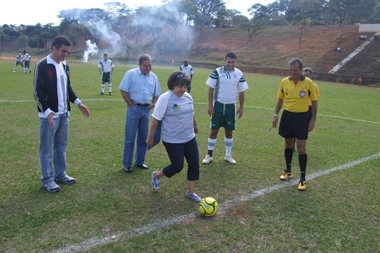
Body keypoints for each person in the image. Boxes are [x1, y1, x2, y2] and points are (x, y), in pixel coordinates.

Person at [33, 36, 90, 193]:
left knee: (61, 147)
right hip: (49, 117)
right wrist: (47, 111)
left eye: (68, 51)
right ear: (54, 48)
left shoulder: (65, 65)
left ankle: (60, 174)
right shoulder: (43, 65)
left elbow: (68, 88)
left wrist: (79, 103)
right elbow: (38, 93)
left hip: (64, 114)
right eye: (63, 51)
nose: (66, 54)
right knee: (46, 149)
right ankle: (47, 179)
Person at [148, 71, 201, 202]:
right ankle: (157, 175)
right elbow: (155, 119)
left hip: (189, 136)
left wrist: (194, 124)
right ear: (172, 85)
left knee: (194, 163)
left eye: (185, 86)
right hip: (172, 139)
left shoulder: (188, 97)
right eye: (179, 86)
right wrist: (151, 138)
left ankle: (191, 192)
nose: (182, 89)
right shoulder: (165, 98)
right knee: (177, 166)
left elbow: (191, 111)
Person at [271, 58, 318, 191]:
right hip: (288, 116)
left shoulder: (309, 83)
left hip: (302, 118)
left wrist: (313, 119)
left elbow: (314, 102)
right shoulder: (284, 81)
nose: (292, 73)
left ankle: (302, 178)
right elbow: (280, 99)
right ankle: (288, 170)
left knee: (301, 148)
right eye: (290, 70)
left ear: (301, 70)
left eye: (295, 70)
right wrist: (275, 115)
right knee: (288, 144)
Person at [202, 52, 249, 165]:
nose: (230, 64)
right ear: (225, 60)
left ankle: (228, 155)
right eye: (228, 62)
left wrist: (241, 107)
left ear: (235, 62)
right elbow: (211, 89)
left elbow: (241, 92)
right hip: (218, 105)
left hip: (231, 106)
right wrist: (210, 105)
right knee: (214, 130)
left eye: (233, 62)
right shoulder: (217, 72)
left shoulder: (239, 74)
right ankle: (209, 155)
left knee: (229, 131)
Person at [119, 54, 162, 173]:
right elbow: (123, 90)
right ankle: (127, 164)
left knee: (143, 137)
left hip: (146, 110)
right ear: (139, 65)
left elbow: (157, 92)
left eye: (150, 65)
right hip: (134, 108)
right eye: (145, 66)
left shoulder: (153, 77)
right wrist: (131, 105)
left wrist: (153, 104)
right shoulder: (131, 74)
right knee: (130, 138)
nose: (148, 68)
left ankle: (140, 161)